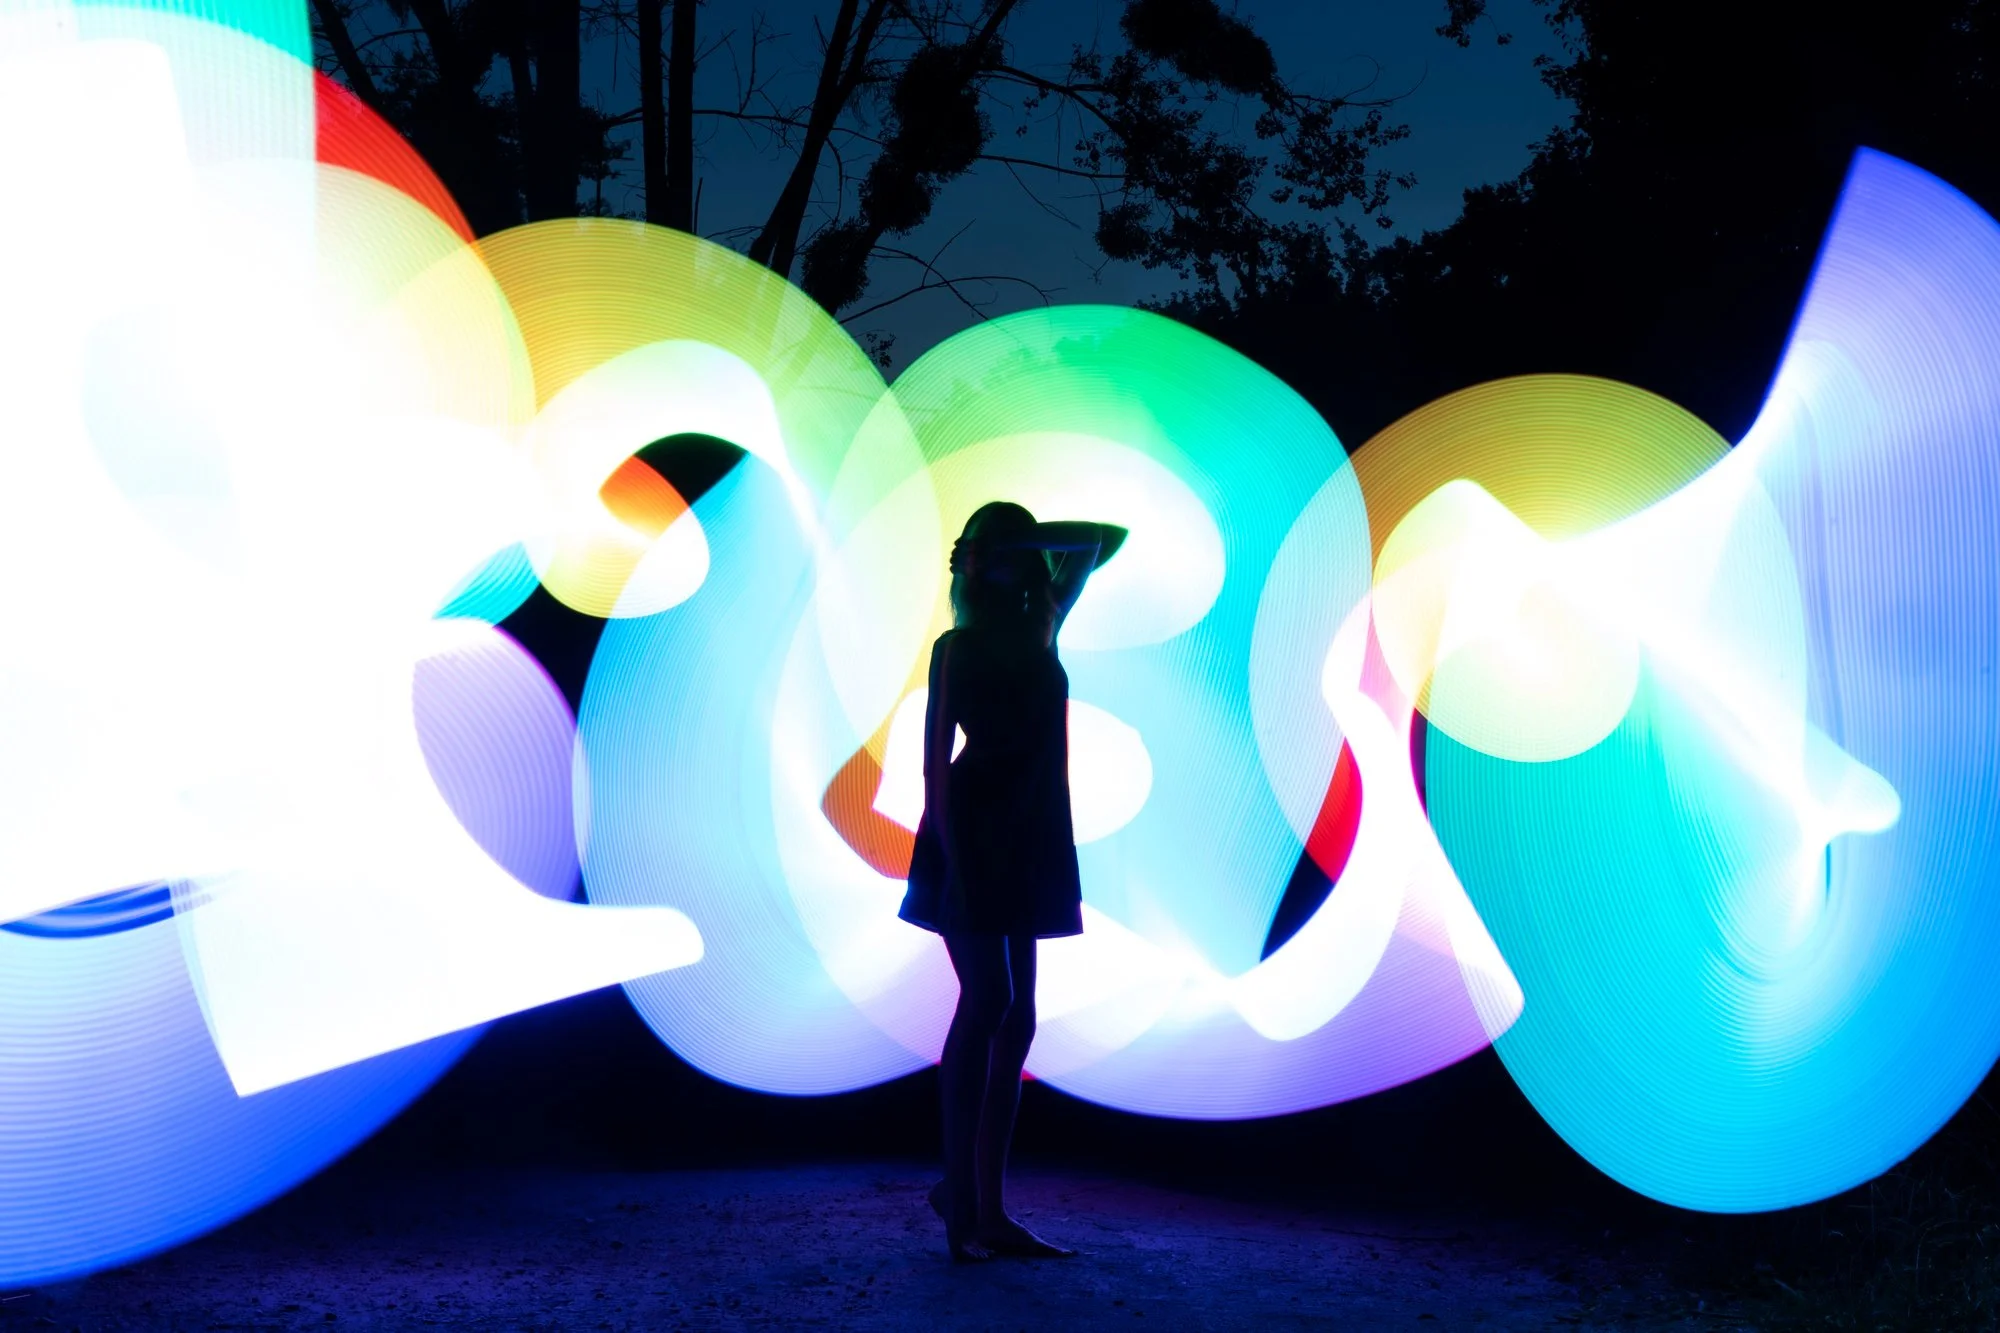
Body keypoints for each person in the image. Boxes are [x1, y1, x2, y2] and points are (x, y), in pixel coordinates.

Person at [899, 500, 1128, 1263]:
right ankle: (962, 1199)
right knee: (989, 1001)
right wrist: (957, 870)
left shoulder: (1045, 618)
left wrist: (1015, 540)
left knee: (1020, 1017)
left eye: (992, 543)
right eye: (974, 545)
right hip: (972, 830)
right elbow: (934, 765)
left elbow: (1101, 536)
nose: (976, 555)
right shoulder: (957, 646)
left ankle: (982, 1202)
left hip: (1032, 833)